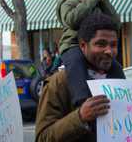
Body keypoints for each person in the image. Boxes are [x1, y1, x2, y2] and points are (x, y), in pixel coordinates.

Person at [35, 13, 125, 142]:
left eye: (114, 45)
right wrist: (80, 117)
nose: (109, 51)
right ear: (83, 46)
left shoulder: (120, 81)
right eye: (101, 44)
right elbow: (42, 138)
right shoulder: (59, 83)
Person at [56, 0, 121, 106]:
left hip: (95, 47)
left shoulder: (102, 4)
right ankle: (82, 101)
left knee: (115, 67)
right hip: (73, 45)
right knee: (76, 63)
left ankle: (122, 98)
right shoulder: (68, 1)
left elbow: (116, 24)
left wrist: (104, 3)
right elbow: (72, 20)